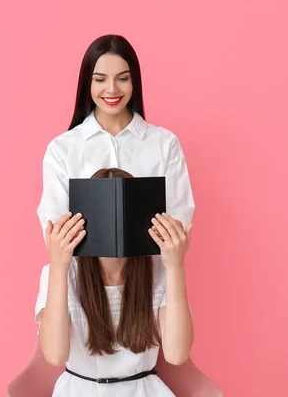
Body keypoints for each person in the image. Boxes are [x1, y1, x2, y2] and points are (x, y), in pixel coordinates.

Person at [36, 168, 194, 396]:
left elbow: (177, 355)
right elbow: (54, 355)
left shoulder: (160, 270)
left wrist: (176, 265)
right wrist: (59, 266)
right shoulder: (64, 272)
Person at [36, 34, 195, 239]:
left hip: (149, 270)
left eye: (122, 78)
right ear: (88, 84)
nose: (112, 89)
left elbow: (177, 221)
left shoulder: (165, 144)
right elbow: (55, 231)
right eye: (100, 79)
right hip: (81, 272)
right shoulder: (62, 149)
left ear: (134, 81)